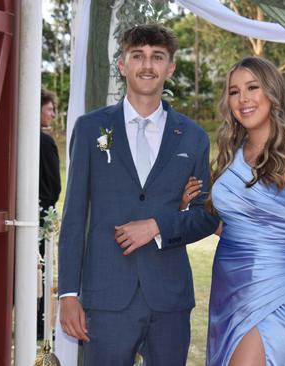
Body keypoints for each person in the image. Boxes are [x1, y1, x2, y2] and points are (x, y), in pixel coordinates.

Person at [58, 24, 219, 366]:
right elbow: (73, 216)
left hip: (169, 298)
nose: (147, 65)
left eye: (157, 57)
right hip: (105, 296)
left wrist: (157, 226)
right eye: (138, 56)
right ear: (122, 64)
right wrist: (69, 294)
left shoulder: (192, 137)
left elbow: (206, 216)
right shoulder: (91, 129)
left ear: (170, 67)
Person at [180, 56, 285, 366]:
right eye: (234, 91)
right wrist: (187, 205)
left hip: (276, 288)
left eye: (253, 87)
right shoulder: (229, 155)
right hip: (227, 289)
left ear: (273, 93)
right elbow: (227, 225)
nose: (243, 99)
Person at [38, 89, 62, 340]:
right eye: (50, 108)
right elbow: (54, 184)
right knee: (41, 268)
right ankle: (39, 321)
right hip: (41, 213)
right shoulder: (45, 142)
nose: (53, 114)